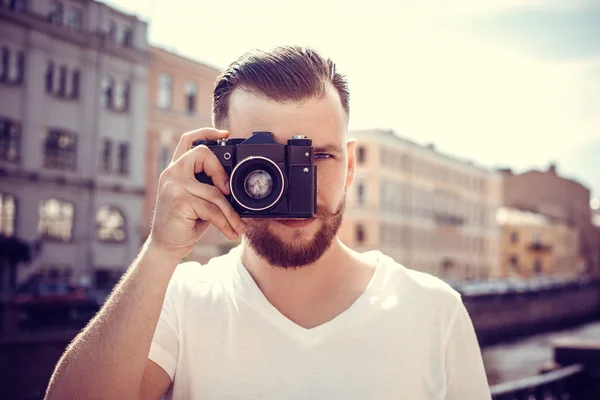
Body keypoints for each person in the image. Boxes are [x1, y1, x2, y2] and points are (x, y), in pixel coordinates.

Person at [45, 45, 491, 400]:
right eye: (269, 162)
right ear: (219, 163)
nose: (298, 184)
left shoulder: (434, 309)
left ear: (351, 166)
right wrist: (161, 251)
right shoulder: (182, 299)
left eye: (319, 156)